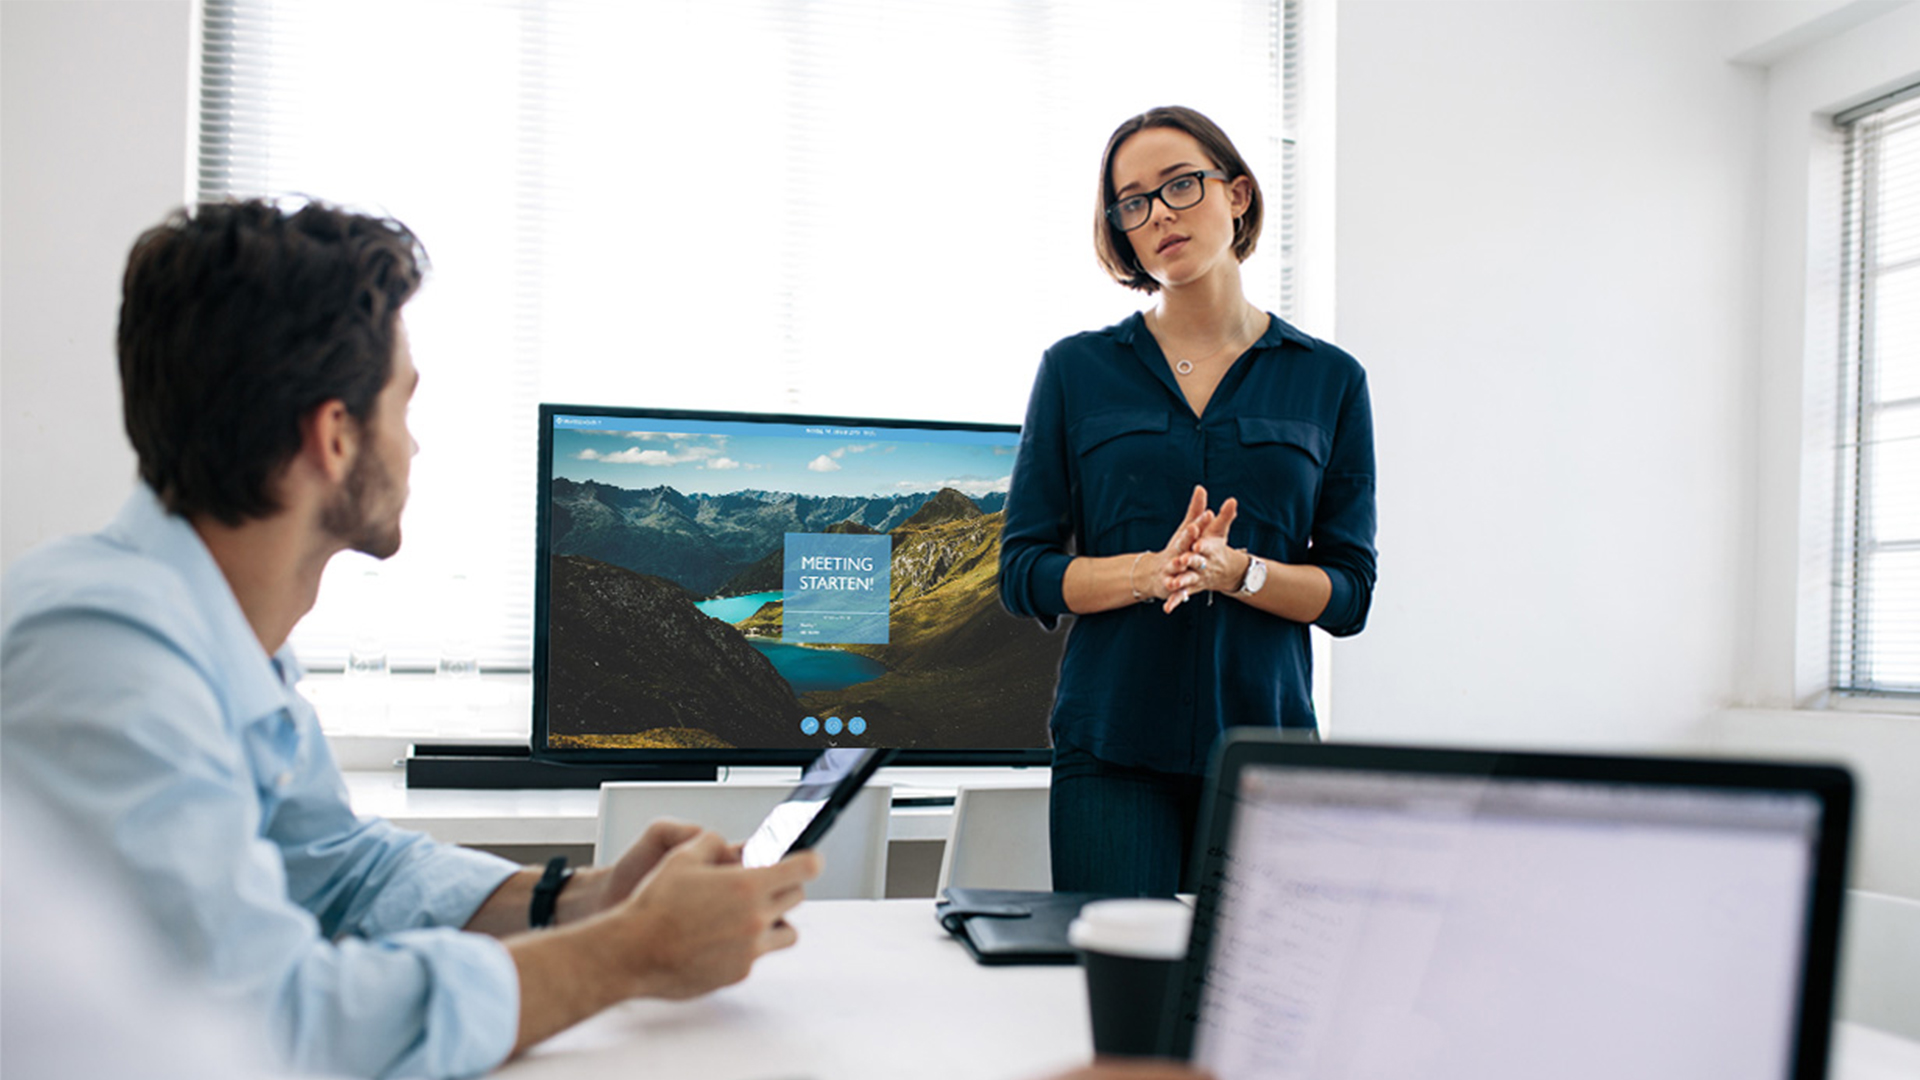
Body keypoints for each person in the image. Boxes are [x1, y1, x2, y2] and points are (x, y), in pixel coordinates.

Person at [0, 199, 821, 1080]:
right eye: (405, 403)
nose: (417, 444)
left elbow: (340, 872)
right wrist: (633, 953)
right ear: (337, 435)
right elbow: (281, 1025)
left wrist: (590, 899)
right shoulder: (106, 659)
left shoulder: (215, 632)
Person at [1000, 106, 1377, 896]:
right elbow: (1023, 571)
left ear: (1237, 194)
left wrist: (1242, 574)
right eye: (1132, 203)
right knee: (1115, 1005)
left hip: (1265, 757)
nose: (1159, 214)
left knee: (1248, 1013)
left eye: (1180, 185)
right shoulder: (1075, 371)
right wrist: (1148, 572)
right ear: (1123, 234)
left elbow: (1348, 595)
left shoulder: (1330, 380)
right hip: (1110, 753)